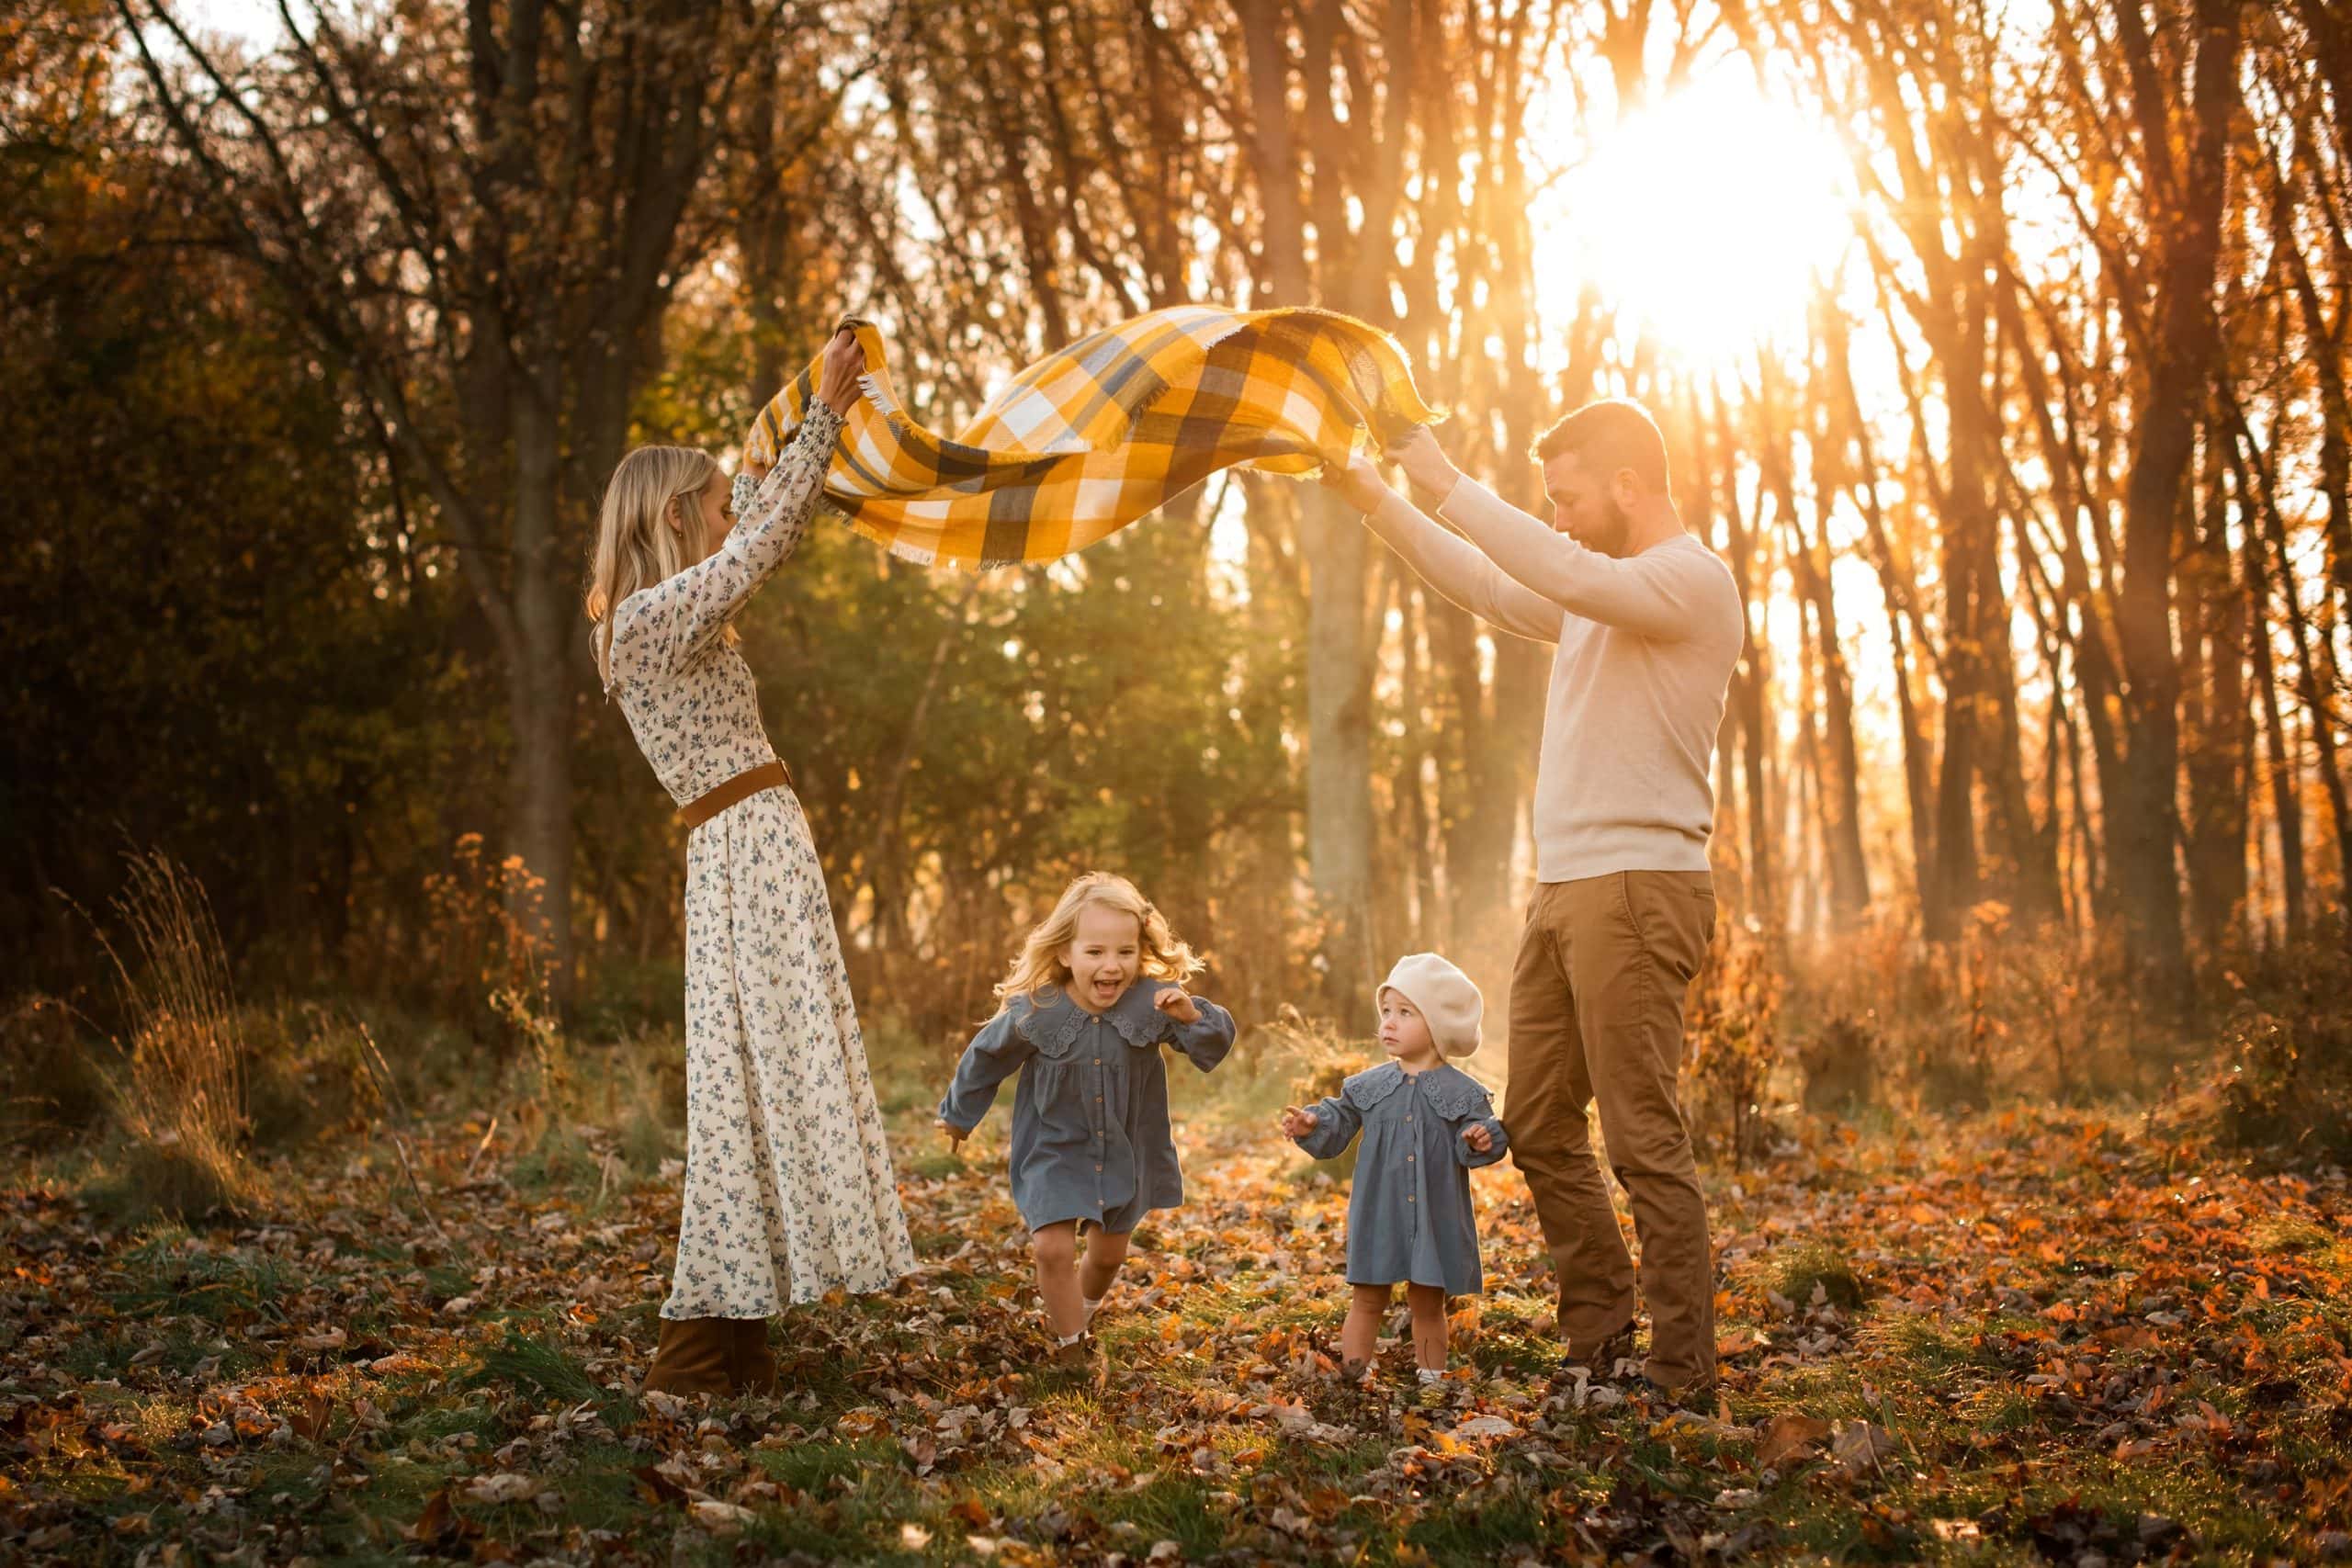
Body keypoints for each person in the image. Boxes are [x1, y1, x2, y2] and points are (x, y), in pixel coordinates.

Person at [1322, 400, 1743, 1400]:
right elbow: (1489, 580)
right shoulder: (1600, 596)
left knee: (1643, 1138)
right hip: (1562, 891)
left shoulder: (1686, 581)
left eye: (1568, 498)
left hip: (1639, 890)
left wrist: (1445, 477)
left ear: (1629, 488)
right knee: (1541, 1122)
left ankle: (1683, 1377)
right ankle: (1598, 1337)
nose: (1555, 519)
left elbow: (1559, 569)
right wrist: (1379, 498)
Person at [584, 329, 918, 1396]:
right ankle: (702, 1341)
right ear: (674, 517)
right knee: (747, 1079)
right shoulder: (642, 621)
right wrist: (819, 414)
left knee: (765, 1076)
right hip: (742, 853)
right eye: (717, 503)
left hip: (759, 846)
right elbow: (756, 548)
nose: (732, 517)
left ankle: (740, 1324)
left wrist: (797, 442)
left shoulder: (671, 611)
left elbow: (756, 529)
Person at [936, 873, 1236, 1370]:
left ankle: (1082, 1310)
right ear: (1064, 953)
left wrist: (1189, 1017)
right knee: (1052, 1248)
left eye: (1124, 952)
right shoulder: (1038, 1009)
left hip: (1127, 1149)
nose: (1111, 965)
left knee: (1107, 1256)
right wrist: (958, 1117)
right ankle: (1071, 1348)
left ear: (1140, 951)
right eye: (1095, 952)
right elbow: (985, 1058)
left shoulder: (1154, 1001)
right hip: (1055, 1146)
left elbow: (1214, 1046)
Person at [1280, 953, 1508, 1394]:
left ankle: (1431, 1382)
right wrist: (1311, 1124)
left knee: (1428, 1300)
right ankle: (1354, 1375)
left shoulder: (1464, 1092)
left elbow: (1480, 1135)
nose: (1389, 1022)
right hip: (1380, 1208)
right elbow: (1338, 1122)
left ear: (1438, 1025)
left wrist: (1480, 1138)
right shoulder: (1368, 1086)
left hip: (1434, 1212)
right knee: (1367, 1297)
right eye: (1386, 1011)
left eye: (1405, 1013)